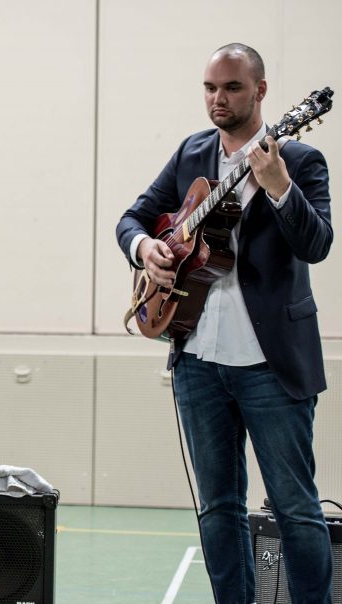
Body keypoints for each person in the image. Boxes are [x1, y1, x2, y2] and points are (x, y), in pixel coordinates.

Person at [116, 43, 333, 603]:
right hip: (197, 361)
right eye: (210, 87)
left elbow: (318, 244)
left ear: (260, 91)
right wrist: (146, 250)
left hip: (271, 364)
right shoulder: (191, 152)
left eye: (232, 87)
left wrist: (279, 186)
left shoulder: (302, 161)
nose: (218, 98)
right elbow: (134, 217)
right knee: (218, 508)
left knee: (296, 509)